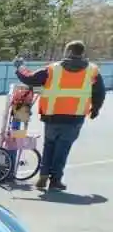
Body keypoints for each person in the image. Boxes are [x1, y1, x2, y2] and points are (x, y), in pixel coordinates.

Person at [13, 42, 104, 191]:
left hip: (52, 115)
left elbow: (30, 79)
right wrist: (96, 109)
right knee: (63, 148)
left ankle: (43, 175)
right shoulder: (92, 71)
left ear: (67, 52)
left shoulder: (53, 69)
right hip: (75, 117)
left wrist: (19, 67)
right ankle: (55, 180)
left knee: (49, 145)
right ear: (82, 53)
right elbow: (99, 92)